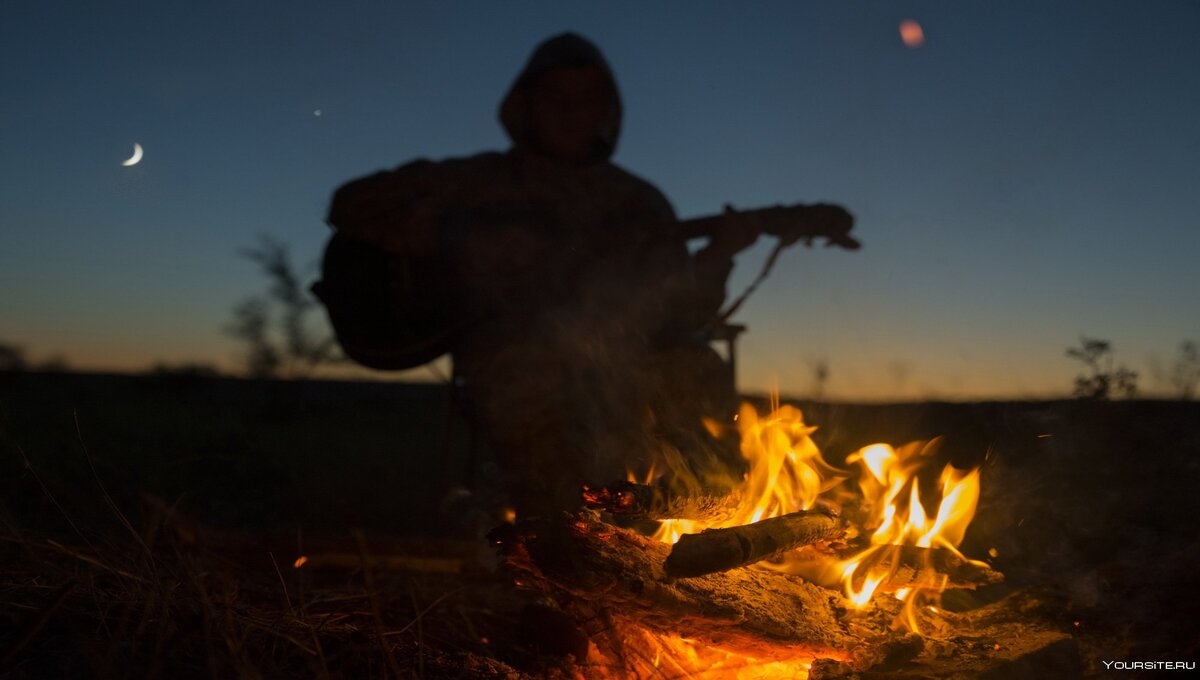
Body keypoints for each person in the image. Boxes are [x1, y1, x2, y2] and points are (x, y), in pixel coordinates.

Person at [324, 33, 806, 517]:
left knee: (693, 364)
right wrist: (458, 233)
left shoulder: (640, 202)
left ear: (607, 111)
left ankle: (692, 517)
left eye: (588, 99)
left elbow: (682, 311)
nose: (572, 111)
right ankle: (560, 530)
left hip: (625, 355)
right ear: (526, 106)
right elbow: (351, 203)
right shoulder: (482, 179)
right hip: (514, 348)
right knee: (528, 368)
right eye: (556, 97)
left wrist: (719, 253)